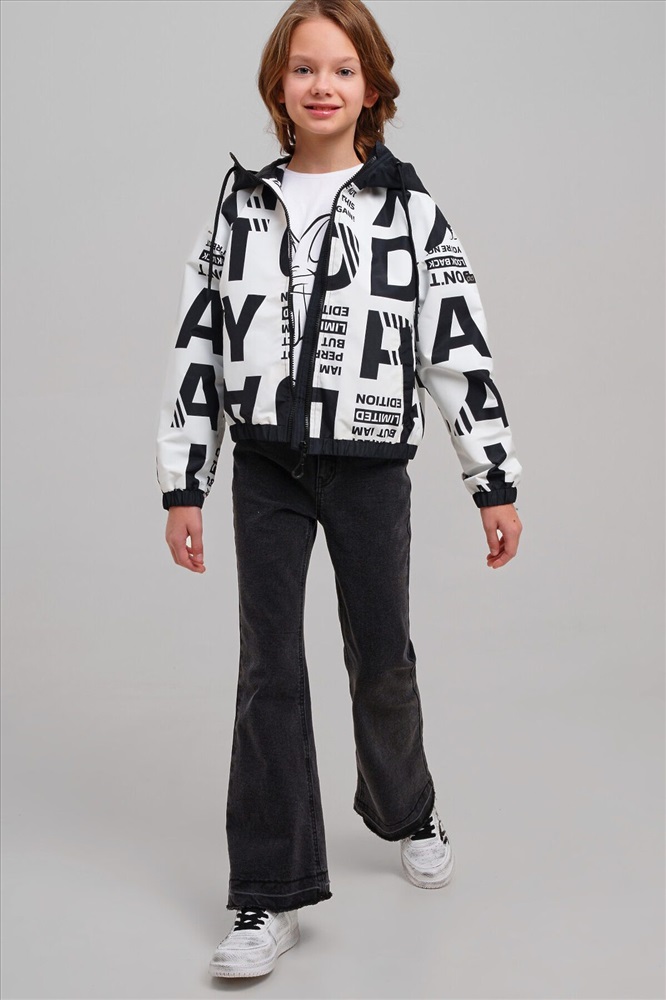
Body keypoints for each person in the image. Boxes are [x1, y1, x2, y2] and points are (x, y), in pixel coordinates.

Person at [155, 0, 523, 980]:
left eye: (343, 69)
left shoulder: (409, 207)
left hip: (369, 466)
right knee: (268, 669)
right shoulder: (239, 208)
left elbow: (456, 346)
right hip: (267, 464)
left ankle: (408, 808)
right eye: (305, 68)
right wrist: (185, 481)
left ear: (372, 87)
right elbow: (199, 343)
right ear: (279, 86)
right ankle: (267, 892)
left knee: (382, 656)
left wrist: (491, 476)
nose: (323, 84)